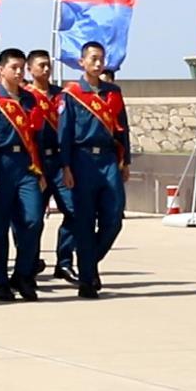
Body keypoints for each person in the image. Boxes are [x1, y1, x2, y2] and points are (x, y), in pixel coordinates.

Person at [58, 41, 132, 298]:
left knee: (113, 219)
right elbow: (64, 133)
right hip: (82, 160)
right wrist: (65, 166)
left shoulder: (113, 92)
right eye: (93, 59)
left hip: (109, 159)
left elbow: (123, 127)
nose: (98, 63)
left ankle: (87, 261)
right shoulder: (71, 94)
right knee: (85, 220)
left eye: (101, 58)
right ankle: (87, 279)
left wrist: (127, 161)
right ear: (82, 62)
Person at [0, 48, 49, 301]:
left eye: (21, 68)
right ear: (0, 70)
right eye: (13, 67)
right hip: (0, 165)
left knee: (33, 220)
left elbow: (36, 138)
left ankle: (23, 275)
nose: (18, 72)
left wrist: (40, 171)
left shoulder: (30, 100)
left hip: (26, 166)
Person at [27, 49, 75, 283]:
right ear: (30, 69)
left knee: (73, 211)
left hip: (59, 162)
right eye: (41, 65)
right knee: (33, 217)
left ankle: (64, 262)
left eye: (48, 65)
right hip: (35, 163)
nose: (46, 70)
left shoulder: (62, 95)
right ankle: (31, 261)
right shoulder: (25, 96)